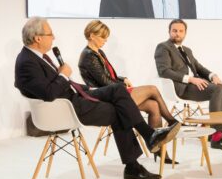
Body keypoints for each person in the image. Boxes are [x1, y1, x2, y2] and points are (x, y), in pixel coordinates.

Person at [15, 17, 179, 179]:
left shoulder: (37, 57)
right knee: (119, 110)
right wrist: (63, 74)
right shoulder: (27, 62)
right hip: (69, 108)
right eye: (50, 34)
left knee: (118, 90)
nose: (54, 38)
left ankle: (148, 138)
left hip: (76, 96)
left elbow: (58, 85)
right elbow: (49, 93)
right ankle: (136, 159)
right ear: (38, 38)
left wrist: (86, 88)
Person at [77, 20, 182, 164]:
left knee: (154, 106)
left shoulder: (98, 52)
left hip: (115, 91)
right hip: (107, 97)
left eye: (106, 37)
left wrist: (122, 78)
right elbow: (105, 83)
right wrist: (122, 85)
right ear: (91, 35)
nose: (105, 40)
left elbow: (108, 76)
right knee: (152, 89)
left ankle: (160, 151)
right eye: (102, 37)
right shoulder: (88, 56)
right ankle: (172, 121)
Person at [155, 19, 222, 150]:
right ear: (169, 32)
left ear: (185, 33)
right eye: (174, 31)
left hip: (195, 84)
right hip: (181, 88)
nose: (177, 34)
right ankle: (217, 136)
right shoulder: (163, 47)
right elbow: (164, 71)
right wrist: (190, 79)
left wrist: (212, 75)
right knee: (216, 90)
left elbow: (198, 68)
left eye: (181, 31)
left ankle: (209, 127)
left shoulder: (187, 50)